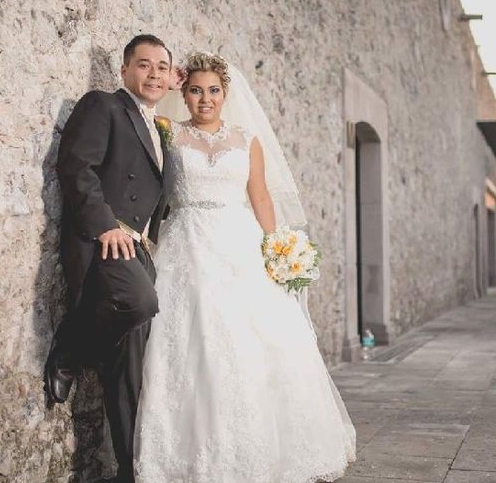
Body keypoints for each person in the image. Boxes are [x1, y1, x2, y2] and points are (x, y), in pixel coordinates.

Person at [133, 52, 356, 483]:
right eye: (195, 90)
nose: (204, 99)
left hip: (240, 245)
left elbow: (261, 198)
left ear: (225, 93)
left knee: (253, 341)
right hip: (187, 245)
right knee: (192, 340)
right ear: (184, 91)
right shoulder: (168, 132)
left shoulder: (245, 138)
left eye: (213, 90)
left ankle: (263, 445)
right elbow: (144, 121)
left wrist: (277, 250)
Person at [46, 34, 174, 483]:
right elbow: (75, 165)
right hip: (103, 240)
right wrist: (103, 223)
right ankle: (71, 345)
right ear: (124, 71)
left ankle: (129, 471)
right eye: (144, 64)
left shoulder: (161, 129)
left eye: (162, 66)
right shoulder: (102, 104)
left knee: (128, 371)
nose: (153, 73)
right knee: (141, 302)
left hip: (136, 247)